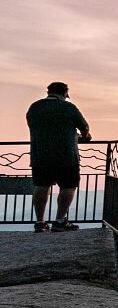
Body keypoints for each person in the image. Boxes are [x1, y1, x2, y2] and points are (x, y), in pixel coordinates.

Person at [25, 82, 91, 232]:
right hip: (66, 155)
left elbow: (32, 125)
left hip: (40, 154)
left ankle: (40, 222)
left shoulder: (34, 107)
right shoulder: (69, 107)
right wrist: (84, 136)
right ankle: (60, 221)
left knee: (41, 185)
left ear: (48, 92)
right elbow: (84, 127)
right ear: (65, 93)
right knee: (68, 185)